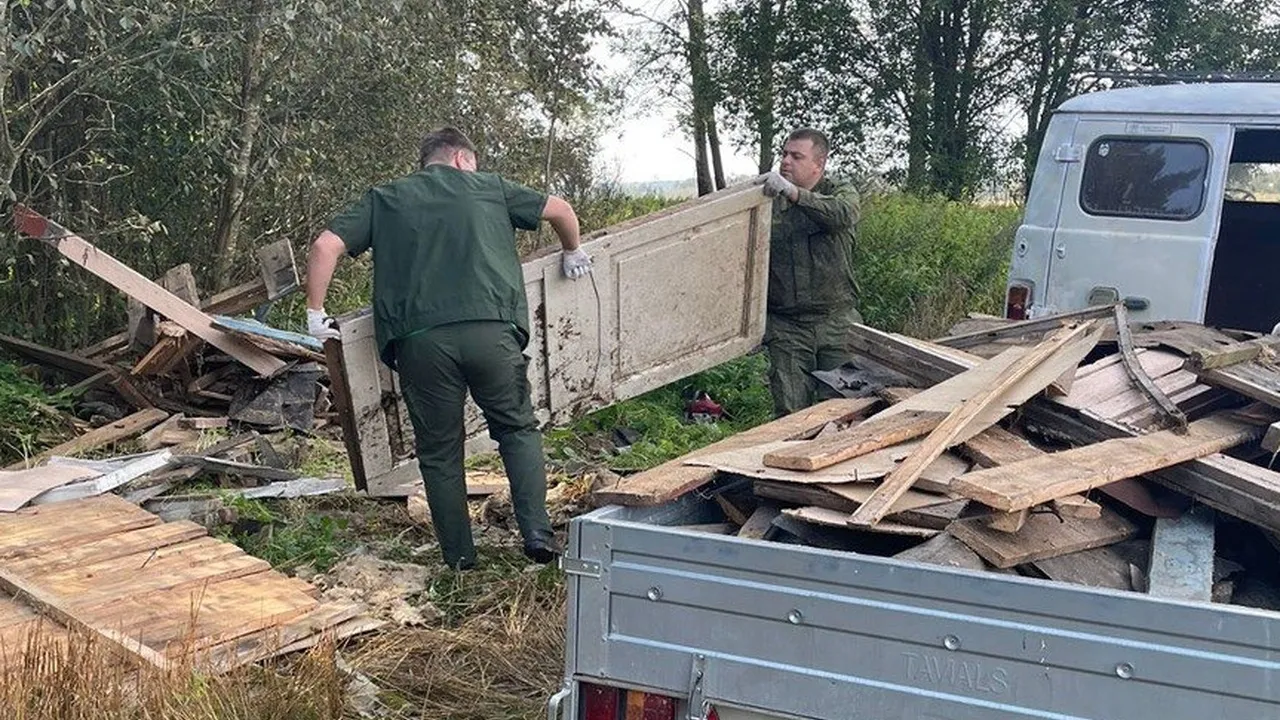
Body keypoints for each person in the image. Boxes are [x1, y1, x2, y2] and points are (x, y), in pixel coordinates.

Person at [304, 126, 593, 570]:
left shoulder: (385, 198)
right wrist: (572, 251)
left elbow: (325, 245)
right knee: (516, 429)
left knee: (440, 453)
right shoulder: (491, 187)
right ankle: (536, 532)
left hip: (420, 342)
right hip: (491, 331)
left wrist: (315, 312)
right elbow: (561, 210)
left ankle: (459, 558)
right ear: (461, 158)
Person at [754, 127, 862, 418]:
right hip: (787, 326)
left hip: (836, 322)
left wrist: (794, 194)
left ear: (819, 164)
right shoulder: (768, 203)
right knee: (790, 415)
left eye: (796, 156)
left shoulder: (838, 192)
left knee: (844, 410)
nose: (786, 161)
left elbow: (842, 214)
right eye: (784, 154)